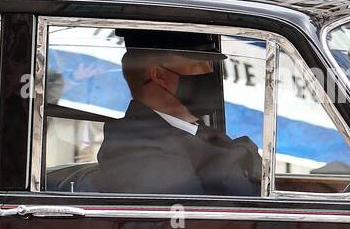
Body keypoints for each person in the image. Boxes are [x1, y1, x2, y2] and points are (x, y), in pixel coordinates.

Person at [92, 32, 261, 197]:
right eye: (199, 64)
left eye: (209, 64)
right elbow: (195, 221)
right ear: (159, 76)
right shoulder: (136, 149)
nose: (210, 71)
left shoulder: (197, 132)